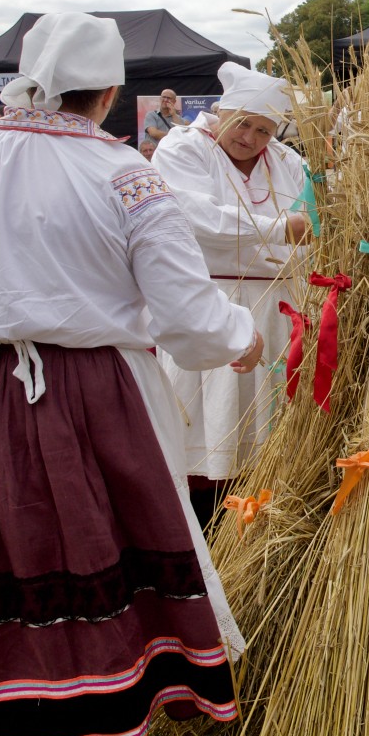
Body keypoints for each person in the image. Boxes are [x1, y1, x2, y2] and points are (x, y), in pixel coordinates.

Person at [0, 13, 265, 736]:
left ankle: (8, 730)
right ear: (109, 93)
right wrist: (240, 337)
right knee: (100, 553)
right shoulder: (125, 174)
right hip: (84, 393)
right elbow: (187, 315)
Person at [152, 61, 310, 518]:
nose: (250, 138)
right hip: (211, 301)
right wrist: (281, 229)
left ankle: (260, 515)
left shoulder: (287, 161)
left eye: (264, 130)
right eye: (243, 124)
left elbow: (316, 222)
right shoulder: (183, 147)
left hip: (279, 306)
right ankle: (203, 519)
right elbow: (195, 217)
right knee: (209, 419)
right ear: (222, 112)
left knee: (269, 430)